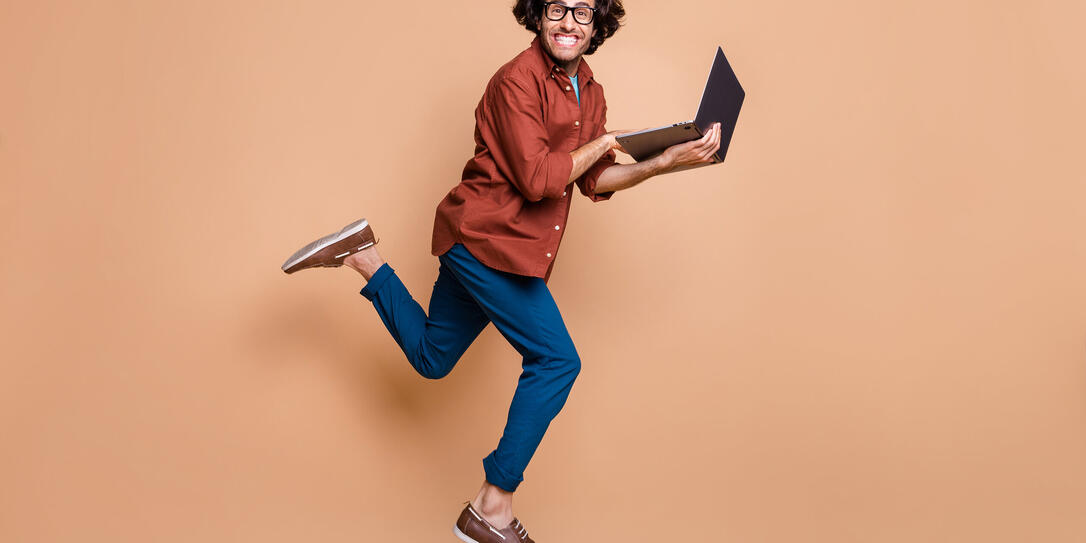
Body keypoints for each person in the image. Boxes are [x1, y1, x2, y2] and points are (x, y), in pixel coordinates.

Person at [281, 0, 721, 541]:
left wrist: (661, 162)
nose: (568, 23)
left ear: (597, 25)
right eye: (557, 8)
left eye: (583, 12)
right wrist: (606, 141)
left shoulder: (590, 88)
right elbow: (540, 180)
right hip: (488, 242)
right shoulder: (516, 81)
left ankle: (362, 255)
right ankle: (493, 504)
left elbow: (592, 181)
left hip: (496, 245)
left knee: (431, 358)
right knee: (557, 361)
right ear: (538, 16)